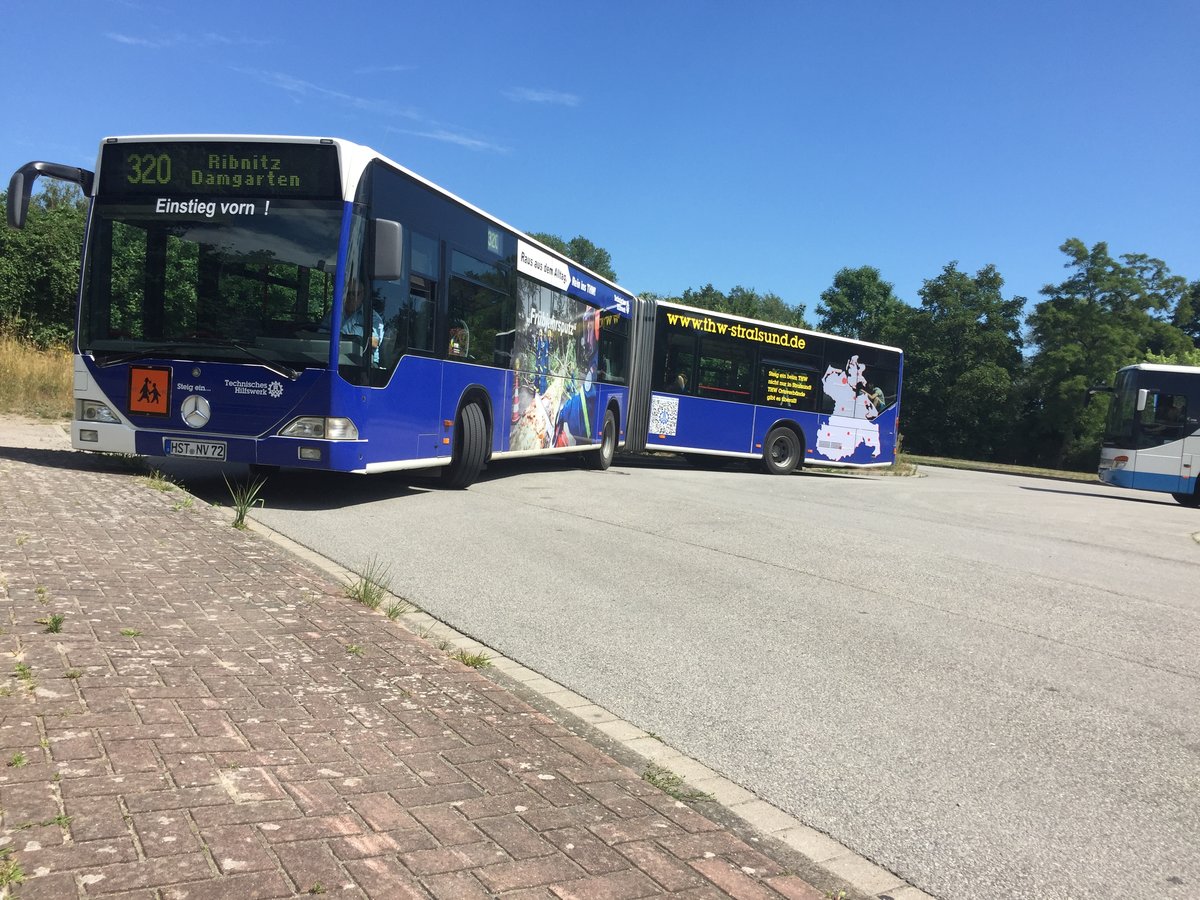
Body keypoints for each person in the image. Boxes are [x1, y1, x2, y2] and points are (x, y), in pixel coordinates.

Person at [332, 282, 383, 366]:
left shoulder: (372, 317)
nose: (351, 297)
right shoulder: (334, 314)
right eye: (348, 293)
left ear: (363, 295)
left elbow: (375, 342)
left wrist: (355, 338)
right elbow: (321, 334)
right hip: (334, 355)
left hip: (366, 362)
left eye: (355, 293)